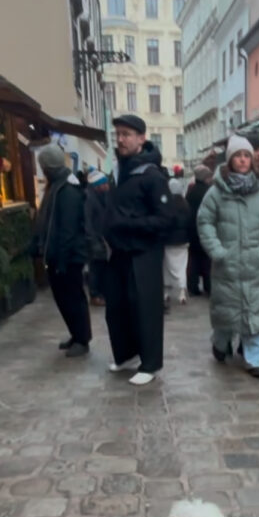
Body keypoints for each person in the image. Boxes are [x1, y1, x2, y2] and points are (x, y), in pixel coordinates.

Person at [197, 134, 259, 378]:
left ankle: (255, 359)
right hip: (227, 266)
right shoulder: (216, 193)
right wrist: (217, 251)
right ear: (230, 160)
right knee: (226, 313)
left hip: (254, 265)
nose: (243, 160)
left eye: (246, 156)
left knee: (255, 312)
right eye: (238, 156)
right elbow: (205, 221)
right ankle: (220, 344)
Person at [102, 114, 173, 386]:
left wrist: (129, 224)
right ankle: (127, 354)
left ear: (141, 139)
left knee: (146, 308)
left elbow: (166, 218)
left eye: (127, 134)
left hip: (144, 254)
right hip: (119, 253)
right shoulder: (120, 170)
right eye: (117, 134)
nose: (120, 139)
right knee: (118, 308)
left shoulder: (151, 175)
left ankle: (151, 363)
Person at [34, 144, 91, 357]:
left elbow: (68, 228)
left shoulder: (66, 189)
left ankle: (82, 339)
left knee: (73, 298)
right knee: (63, 299)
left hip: (67, 256)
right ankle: (76, 335)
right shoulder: (56, 186)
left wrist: (63, 260)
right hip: (58, 255)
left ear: (48, 166)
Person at [163, 177, 191, 306]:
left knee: (167, 267)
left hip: (168, 242)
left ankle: (166, 293)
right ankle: (182, 293)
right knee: (181, 267)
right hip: (183, 242)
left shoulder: (166, 205)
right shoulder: (185, 205)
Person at [186, 165, 213, 296]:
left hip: (192, 230)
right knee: (207, 260)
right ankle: (208, 286)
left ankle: (193, 286)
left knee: (194, 259)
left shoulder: (190, 192)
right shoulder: (208, 192)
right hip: (205, 229)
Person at [84, 168, 109, 306]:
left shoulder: (101, 197)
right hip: (94, 240)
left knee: (102, 268)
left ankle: (102, 293)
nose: (107, 186)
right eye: (104, 184)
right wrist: (92, 240)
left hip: (101, 239)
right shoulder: (89, 198)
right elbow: (87, 221)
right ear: (98, 185)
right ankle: (95, 294)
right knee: (95, 268)